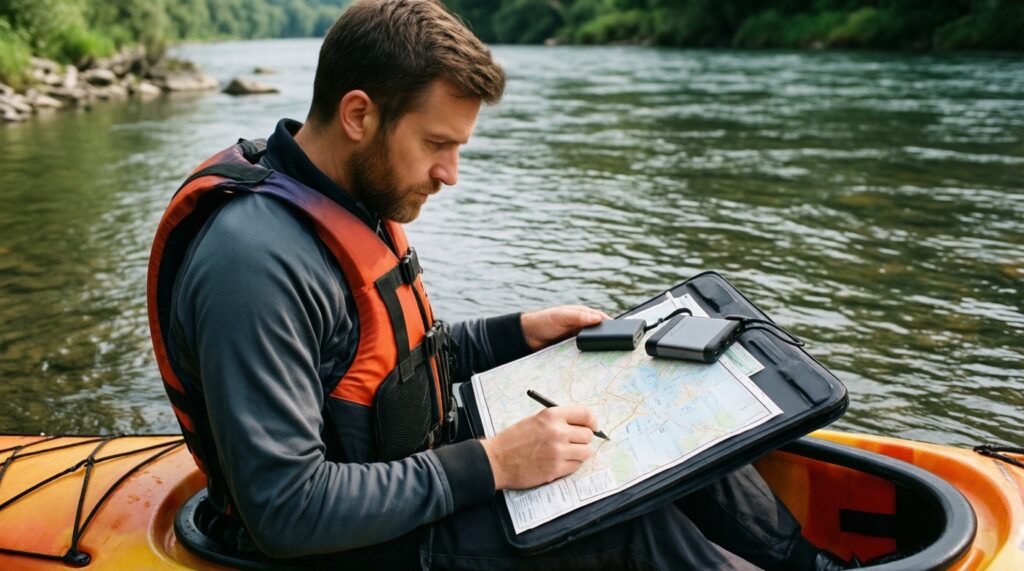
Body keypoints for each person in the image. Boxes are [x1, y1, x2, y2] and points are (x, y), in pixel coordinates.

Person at [147, 1, 848, 569]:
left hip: (412, 478)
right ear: (359, 115)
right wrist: (494, 462)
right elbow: (287, 510)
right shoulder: (254, 265)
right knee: (640, 530)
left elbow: (394, 366)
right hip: (347, 545)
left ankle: (807, 564)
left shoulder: (347, 194)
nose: (451, 173)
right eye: (436, 144)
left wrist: (517, 332)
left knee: (663, 431)